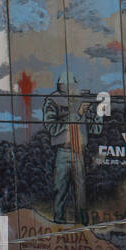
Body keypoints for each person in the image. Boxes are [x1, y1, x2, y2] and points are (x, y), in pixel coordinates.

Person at [43, 75, 101, 224]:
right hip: (63, 152)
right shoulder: (53, 101)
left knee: (81, 192)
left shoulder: (80, 100)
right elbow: (52, 128)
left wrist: (99, 112)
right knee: (60, 189)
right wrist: (78, 113)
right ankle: (58, 221)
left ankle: (82, 222)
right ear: (63, 86)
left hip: (79, 152)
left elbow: (96, 129)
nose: (74, 88)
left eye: (75, 86)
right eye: (71, 85)